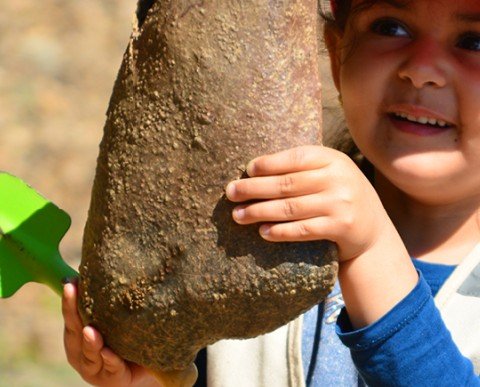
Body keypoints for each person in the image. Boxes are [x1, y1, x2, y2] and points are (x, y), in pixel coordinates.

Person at [61, 0, 480, 385]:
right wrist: (157, 377)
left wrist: (371, 251)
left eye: (474, 41)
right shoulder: (247, 222)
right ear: (335, 54)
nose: (423, 68)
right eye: (391, 27)